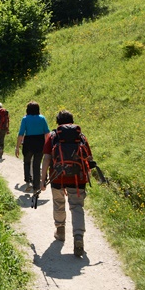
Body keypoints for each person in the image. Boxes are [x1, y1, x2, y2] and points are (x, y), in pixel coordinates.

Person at [40, 110, 93, 257]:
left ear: (58, 123)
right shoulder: (80, 136)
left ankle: (60, 230)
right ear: (72, 120)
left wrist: (42, 180)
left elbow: (46, 159)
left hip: (57, 177)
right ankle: (78, 237)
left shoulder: (53, 136)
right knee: (76, 207)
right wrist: (87, 176)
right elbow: (89, 158)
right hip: (78, 179)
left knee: (58, 203)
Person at [15, 101, 50, 192]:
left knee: (27, 162)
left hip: (28, 142)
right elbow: (47, 133)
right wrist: (47, 145)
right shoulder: (42, 118)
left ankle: (28, 182)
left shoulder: (25, 119)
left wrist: (17, 147)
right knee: (36, 164)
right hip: (40, 143)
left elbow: (21, 134)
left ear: (28, 109)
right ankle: (36, 187)